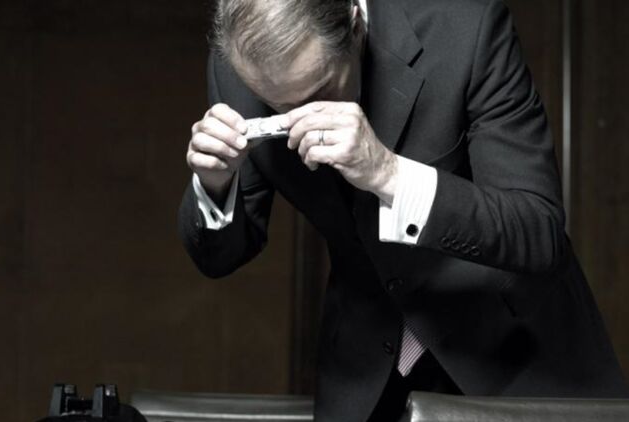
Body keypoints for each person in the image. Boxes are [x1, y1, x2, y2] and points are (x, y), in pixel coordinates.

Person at [177, 0, 628, 420]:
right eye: (278, 107)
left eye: (319, 92)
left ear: (355, 25)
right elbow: (220, 258)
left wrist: (388, 174)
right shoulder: (238, 72)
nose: (298, 120)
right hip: (363, 375)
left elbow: (538, 230)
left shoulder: (466, 28)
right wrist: (215, 186)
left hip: (516, 358)